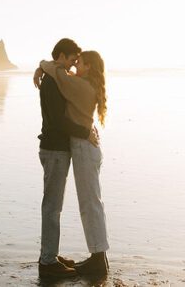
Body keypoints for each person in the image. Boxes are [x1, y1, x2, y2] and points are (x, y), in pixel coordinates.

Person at [36, 48, 109, 277]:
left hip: (84, 148)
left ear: (88, 67)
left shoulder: (80, 86)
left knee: (90, 204)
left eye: (79, 63)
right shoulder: (85, 84)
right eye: (73, 62)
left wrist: (41, 64)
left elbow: (56, 73)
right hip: (84, 147)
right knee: (91, 203)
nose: (75, 66)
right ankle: (99, 257)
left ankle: (98, 259)